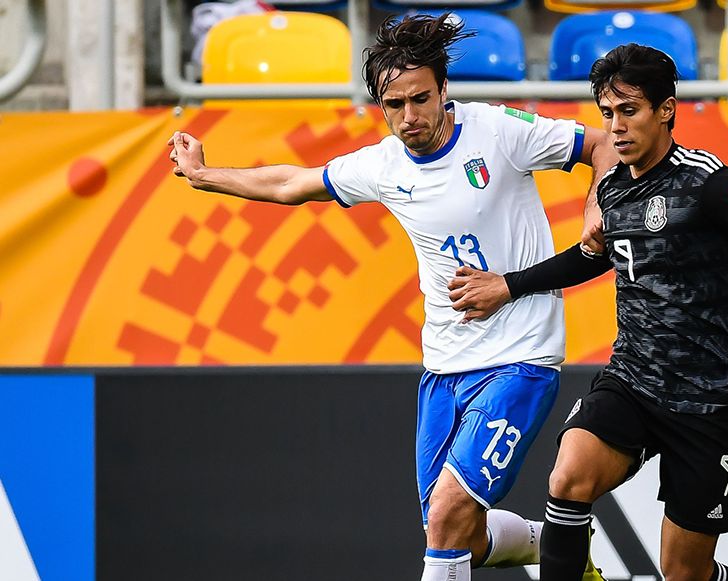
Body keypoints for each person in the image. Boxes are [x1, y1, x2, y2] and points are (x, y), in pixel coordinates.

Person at [166, 13, 616, 581]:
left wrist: (597, 206)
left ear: (444, 89)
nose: (409, 117)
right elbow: (290, 184)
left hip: (519, 359)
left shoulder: (498, 132)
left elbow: (600, 145)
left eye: (420, 99)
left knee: (450, 514)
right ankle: (552, 546)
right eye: (393, 104)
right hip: (444, 367)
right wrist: (205, 176)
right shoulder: (382, 165)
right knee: (453, 533)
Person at [447, 44, 728, 581]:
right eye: (607, 114)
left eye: (630, 111)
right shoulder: (614, 189)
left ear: (665, 110)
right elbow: (591, 258)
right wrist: (508, 286)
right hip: (634, 381)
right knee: (568, 477)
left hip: (708, 402)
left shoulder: (708, 182)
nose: (616, 127)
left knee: (683, 572)